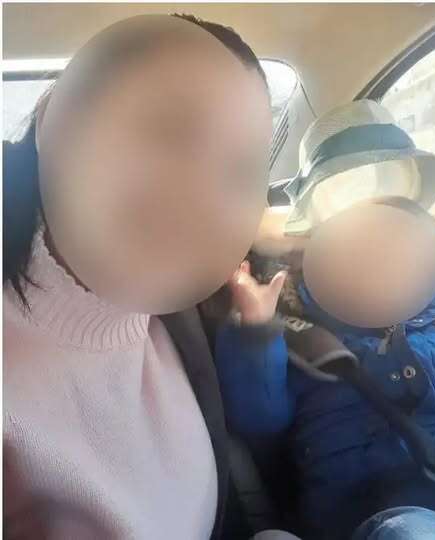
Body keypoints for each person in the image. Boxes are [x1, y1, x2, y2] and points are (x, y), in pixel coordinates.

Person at [3, 14, 273, 539]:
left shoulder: (178, 309)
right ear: (53, 117)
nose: (202, 196)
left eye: (239, 171)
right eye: (167, 131)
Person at [215, 197, 435, 540]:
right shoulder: (300, 335)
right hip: (371, 503)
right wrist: (257, 329)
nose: (377, 265)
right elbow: (258, 421)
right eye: (360, 253)